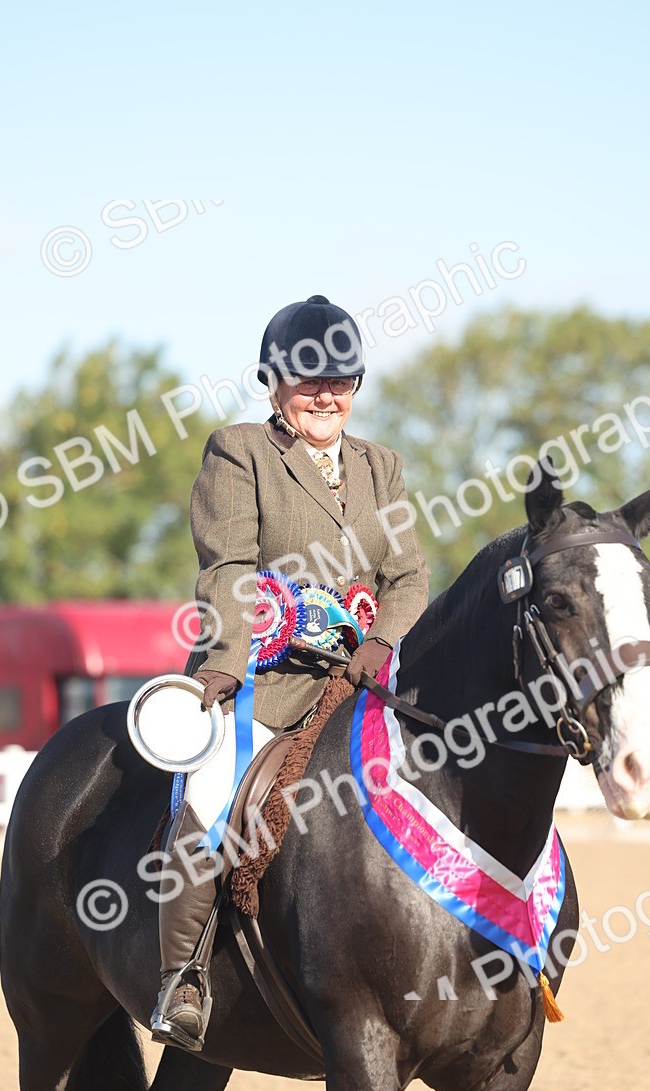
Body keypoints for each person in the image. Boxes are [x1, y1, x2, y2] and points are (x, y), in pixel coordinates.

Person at [151, 294, 428, 1050]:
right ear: (276, 384)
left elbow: (407, 579)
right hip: (266, 680)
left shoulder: (382, 467)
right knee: (210, 799)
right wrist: (225, 668)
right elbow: (231, 568)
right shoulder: (239, 451)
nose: (326, 396)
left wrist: (383, 645)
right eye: (309, 382)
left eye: (341, 382)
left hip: (363, 684)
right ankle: (185, 980)